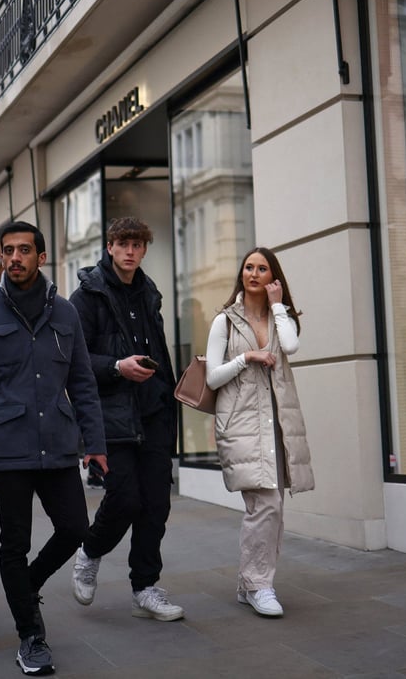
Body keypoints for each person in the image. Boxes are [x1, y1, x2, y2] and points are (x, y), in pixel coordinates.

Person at [0, 221, 107, 676]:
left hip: (58, 443)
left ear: (42, 257)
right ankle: (31, 635)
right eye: (8, 251)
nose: (14, 258)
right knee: (13, 542)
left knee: (76, 527)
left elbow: (81, 382)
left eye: (24, 250)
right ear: (1, 257)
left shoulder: (65, 313)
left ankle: (26, 585)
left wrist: (95, 443)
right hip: (6, 446)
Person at [68, 217, 183, 621]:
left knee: (156, 504)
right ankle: (89, 552)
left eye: (138, 244)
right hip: (111, 416)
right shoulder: (86, 297)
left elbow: (161, 353)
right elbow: (73, 361)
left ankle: (145, 588)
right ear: (110, 247)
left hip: (153, 412)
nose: (131, 251)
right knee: (126, 499)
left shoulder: (149, 292)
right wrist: (118, 366)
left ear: (144, 249)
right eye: (123, 243)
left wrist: (173, 396)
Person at [204, 248, 315, 617]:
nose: (253, 273)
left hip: (278, 422)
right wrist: (246, 358)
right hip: (242, 424)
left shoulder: (280, 317)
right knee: (264, 505)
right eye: (249, 267)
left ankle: (249, 583)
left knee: (274, 507)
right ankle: (259, 585)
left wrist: (279, 306)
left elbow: (292, 346)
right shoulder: (225, 321)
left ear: (272, 277)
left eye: (262, 268)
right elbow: (212, 376)